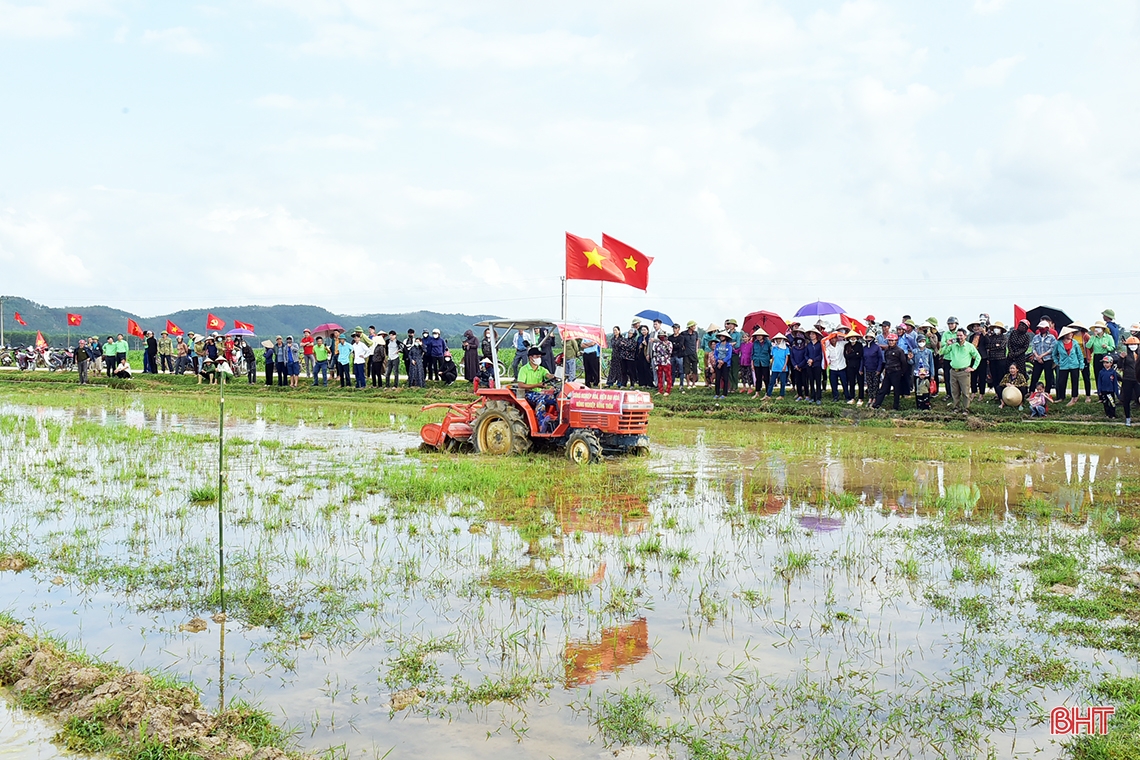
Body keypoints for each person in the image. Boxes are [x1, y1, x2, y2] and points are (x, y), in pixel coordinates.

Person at [941, 328, 981, 412]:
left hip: (964, 372)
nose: (959, 337)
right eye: (958, 335)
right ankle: (956, 407)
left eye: (961, 335)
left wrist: (973, 368)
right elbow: (943, 352)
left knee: (965, 392)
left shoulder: (969, 346)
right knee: (955, 392)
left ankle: (966, 409)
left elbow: (978, 357)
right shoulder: (953, 345)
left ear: (965, 336)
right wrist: (947, 344)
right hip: (953, 371)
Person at [872, 333, 908, 411]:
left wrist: (901, 373)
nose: (891, 342)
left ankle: (896, 407)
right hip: (888, 372)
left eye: (892, 340)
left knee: (896, 391)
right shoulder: (887, 350)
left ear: (896, 341)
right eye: (889, 341)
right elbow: (886, 360)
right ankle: (876, 405)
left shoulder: (899, 351)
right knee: (883, 389)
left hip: (896, 373)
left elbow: (904, 363)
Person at [1052, 326, 1085, 405]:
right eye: (1069, 333)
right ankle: (1061, 397)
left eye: (1071, 333)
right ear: (1065, 334)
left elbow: (1079, 354)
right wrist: (1057, 362)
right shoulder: (1058, 343)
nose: (1071, 334)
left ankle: (1074, 397)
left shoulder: (1075, 343)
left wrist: (1081, 364)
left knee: (1075, 381)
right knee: (1061, 382)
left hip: (1074, 364)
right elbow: (1054, 354)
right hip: (1063, 365)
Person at [517, 346, 554, 410]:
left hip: (539, 392)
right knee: (540, 399)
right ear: (531, 358)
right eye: (537, 357)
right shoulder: (524, 369)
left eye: (540, 357)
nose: (539, 358)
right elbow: (520, 385)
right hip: (527, 393)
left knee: (554, 399)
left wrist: (554, 376)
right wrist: (537, 385)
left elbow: (548, 375)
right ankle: (542, 419)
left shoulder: (542, 369)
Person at [1029, 320, 1057, 394]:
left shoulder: (1052, 337)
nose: (1041, 329)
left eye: (1042, 328)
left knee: (1048, 377)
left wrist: (1042, 355)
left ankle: (1047, 393)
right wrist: (1037, 357)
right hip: (1037, 360)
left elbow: (1052, 348)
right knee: (1035, 376)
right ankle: (1031, 392)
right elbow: (1033, 348)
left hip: (1047, 359)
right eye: (1039, 328)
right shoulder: (1035, 337)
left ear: (1047, 328)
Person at [1119, 336, 1140, 426]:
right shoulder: (1125, 355)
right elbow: (1120, 366)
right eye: (1131, 344)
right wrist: (1121, 358)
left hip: (1138, 380)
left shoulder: (1139, 355)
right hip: (1127, 379)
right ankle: (1128, 418)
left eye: (1135, 344)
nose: (1133, 346)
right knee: (1126, 399)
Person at [986, 322, 1009, 398]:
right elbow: (988, 345)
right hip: (992, 360)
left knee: (1001, 377)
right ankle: (997, 394)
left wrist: (993, 347)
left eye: (998, 328)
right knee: (994, 378)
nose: (996, 329)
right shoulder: (991, 337)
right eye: (995, 327)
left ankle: (1003, 394)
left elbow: (1002, 346)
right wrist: (996, 345)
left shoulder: (1004, 337)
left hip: (1001, 360)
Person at [825, 332, 847, 402]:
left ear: (837, 339)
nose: (833, 340)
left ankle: (847, 396)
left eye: (834, 338)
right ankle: (835, 397)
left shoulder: (841, 344)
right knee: (833, 384)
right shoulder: (828, 348)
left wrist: (842, 335)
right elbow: (826, 356)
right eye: (831, 339)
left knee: (844, 383)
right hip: (833, 368)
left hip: (842, 366)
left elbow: (849, 339)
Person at [861, 334, 883, 406]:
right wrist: (861, 369)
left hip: (876, 369)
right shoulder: (864, 348)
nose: (869, 339)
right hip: (867, 369)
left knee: (875, 385)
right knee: (869, 385)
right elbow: (862, 359)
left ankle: (875, 398)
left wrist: (879, 369)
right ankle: (870, 398)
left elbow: (880, 359)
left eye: (870, 337)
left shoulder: (877, 347)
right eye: (867, 337)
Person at [766, 333, 790, 398]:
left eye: (780, 339)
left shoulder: (786, 348)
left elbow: (787, 357)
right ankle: (768, 395)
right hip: (775, 367)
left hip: (782, 367)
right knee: (772, 382)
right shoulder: (774, 348)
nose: (778, 340)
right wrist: (772, 365)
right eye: (777, 339)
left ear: (782, 340)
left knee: (782, 382)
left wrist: (785, 366)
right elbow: (773, 357)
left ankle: (782, 395)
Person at [1097, 355, 1120, 419]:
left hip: (1110, 391)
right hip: (1104, 391)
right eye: (1104, 363)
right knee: (1105, 403)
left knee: (1112, 403)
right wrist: (1099, 390)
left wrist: (1117, 393)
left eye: (1107, 362)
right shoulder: (1101, 372)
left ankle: (1113, 415)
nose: (1105, 364)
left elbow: (1115, 383)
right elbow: (1099, 382)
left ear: (1111, 363)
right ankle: (1107, 414)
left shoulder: (1113, 372)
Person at [750, 329, 772, 399]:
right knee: (758, 378)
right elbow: (752, 354)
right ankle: (757, 392)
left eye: (760, 335)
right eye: (757, 335)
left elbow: (771, 353)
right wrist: (752, 364)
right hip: (757, 362)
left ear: (763, 336)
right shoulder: (755, 343)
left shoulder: (768, 343)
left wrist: (767, 358)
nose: (758, 337)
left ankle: (768, 393)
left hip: (765, 362)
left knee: (766, 378)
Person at [805, 328, 824, 404]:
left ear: (816, 335)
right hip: (809, 365)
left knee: (818, 381)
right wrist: (809, 360)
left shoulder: (820, 344)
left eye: (813, 334)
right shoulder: (808, 345)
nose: (811, 335)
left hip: (817, 365)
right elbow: (805, 354)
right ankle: (813, 397)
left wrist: (813, 360)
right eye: (810, 334)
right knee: (811, 382)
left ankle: (819, 397)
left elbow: (821, 355)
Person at [711, 332, 733, 399]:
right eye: (720, 336)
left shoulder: (729, 345)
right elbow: (715, 354)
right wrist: (718, 360)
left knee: (725, 379)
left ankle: (724, 394)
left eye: (723, 336)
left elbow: (729, 355)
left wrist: (723, 361)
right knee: (717, 378)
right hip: (718, 362)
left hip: (725, 363)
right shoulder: (718, 345)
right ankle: (717, 393)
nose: (721, 337)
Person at [843, 332, 863, 404]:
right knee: (851, 382)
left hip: (858, 366)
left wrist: (851, 354)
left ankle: (861, 398)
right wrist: (855, 354)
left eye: (854, 337)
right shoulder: (847, 346)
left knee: (860, 383)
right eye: (851, 337)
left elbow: (860, 355)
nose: (853, 338)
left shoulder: (859, 345)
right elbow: (846, 356)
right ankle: (852, 397)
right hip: (850, 367)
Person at [652, 330, 673, 395]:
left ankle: (668, 390)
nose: (661, 337)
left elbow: (670, 352)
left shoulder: (669, 343)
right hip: (659, 362)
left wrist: (665, 345)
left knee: (668, 376)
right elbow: (655, 353)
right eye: (660, 336)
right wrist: (655, 363)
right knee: (659, 377)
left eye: (663, 336)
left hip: (666, 362)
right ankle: (660, 390)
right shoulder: (657, 344)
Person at [682, 321, 700, 390]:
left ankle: (694, 383)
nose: (694, 327)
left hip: (693, 353)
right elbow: (681, 341)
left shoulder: (695, 333)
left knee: (695, 369)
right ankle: (688, 383)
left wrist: (696, 348)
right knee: (687, 369)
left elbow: (697, 340)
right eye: (693, 326)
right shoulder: (684, 333)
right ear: (690, 327)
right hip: (686, 353)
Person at [790, 334, 808, 401]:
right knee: (798, 382)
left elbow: (805, 357)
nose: (799, 341)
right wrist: (795, 365)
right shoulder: (793, 348)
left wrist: (800, 365)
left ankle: (807, 395)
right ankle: (800, 395)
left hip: (804, 367)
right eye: (797, 339)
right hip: (796, 367)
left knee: (805, 381)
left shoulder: (805, 348)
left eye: (800, 339)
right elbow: (792, 357)